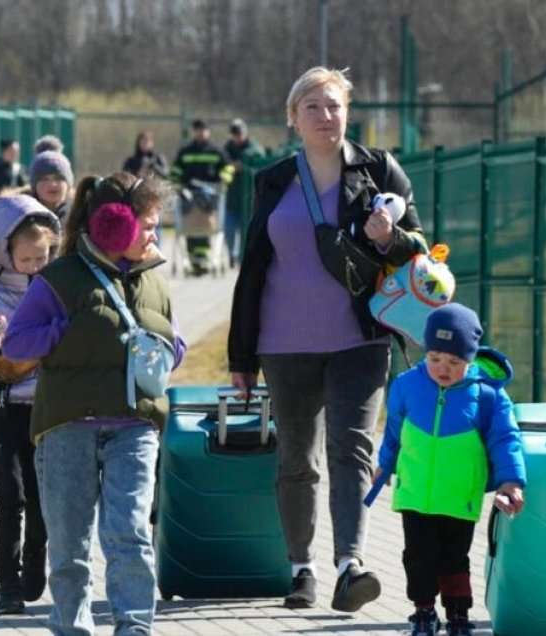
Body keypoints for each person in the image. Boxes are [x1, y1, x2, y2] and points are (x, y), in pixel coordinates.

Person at [228, 66, 427, 612]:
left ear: (348, 113)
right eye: (312, 107)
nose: (325, 116)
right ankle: (301, 568)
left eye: (334, 105)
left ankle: (350, 564)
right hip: (283, 343)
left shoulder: (379, 170)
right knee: (297, 457)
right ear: (293, 118)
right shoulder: (272, 180)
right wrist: (239, 355)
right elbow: (252, 269)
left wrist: (393, 237)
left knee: (352, 449)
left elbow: (419, 253)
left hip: (360, 339)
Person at [3, 173, 186, 635]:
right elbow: (17, 343)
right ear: (114, 226)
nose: (154, 235)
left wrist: (166, 348)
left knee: (130, 532)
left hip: (134, 426)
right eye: (147, 225)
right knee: (70, 544)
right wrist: (66, 333)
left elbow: (174, 339)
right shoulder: (58, 280)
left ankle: (134, 626)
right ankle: (71, 625)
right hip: (68, 425)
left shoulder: (155, 283)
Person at [374, 303, 526, 636]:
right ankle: (424, 612)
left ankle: (458, 614)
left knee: (454, 558)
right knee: (417, 556)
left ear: (470, 359)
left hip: (460, 495)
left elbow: (505, 439)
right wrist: (384, 464)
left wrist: (511, 481)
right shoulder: (405, 385)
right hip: (415, 492)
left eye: (454, 362)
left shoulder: (487, 395)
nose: (443, 369)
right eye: (435, 359)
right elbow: (395, 431)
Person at [0, 195, 59, 614]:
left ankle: (35, 560)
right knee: (11, 494)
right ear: (3, 251)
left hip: (48, 406)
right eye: (26, 258)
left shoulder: (57, 286)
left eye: (42, 257)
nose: (34, 266)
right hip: (0, 403)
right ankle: (7, 587)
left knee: (43, 495)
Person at [170, 119, 234, 274]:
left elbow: (228, 167)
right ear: (194, 131)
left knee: (207, 226)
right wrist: (177, 184)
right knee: (191, 228)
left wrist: (224, 179)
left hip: (209, 200)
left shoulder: (216, 151)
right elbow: (175, 172)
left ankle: (203, 259)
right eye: (198, 129)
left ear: (208, 131)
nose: (201, 132)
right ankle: (195, 261)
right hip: (188, 198)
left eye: (203, 129)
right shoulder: (185, 152)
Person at [224, 118, 264, 268]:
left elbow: (258, 156)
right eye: (235, 134)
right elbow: (223, 160)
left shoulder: (253, 147)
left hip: (249, 198)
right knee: (229, 229)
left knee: (246, 230)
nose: (238, 137)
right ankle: (232, 255)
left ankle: (243, 258)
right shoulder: (227, 148)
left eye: (240, 133)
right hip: (232, 197)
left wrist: (242, 163)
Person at [28, 151, 74, 221]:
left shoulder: (79, 216)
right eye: (44, 179)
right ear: (34, 185)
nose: (52, 184)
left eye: (58, 178)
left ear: (68, 184)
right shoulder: (24, 218)